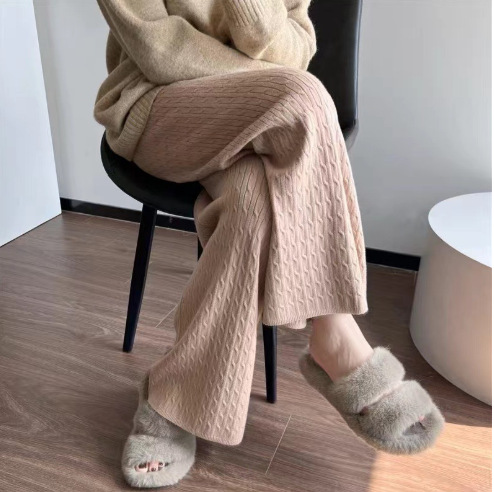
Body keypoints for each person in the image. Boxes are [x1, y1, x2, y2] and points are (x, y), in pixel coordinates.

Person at [94, 0, 445, 488]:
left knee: (253, 203)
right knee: (302, 97)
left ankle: (172, 402)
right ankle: (335, 333)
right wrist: (269, 85)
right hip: (156, 107)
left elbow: (297, 47)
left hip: (256, 112)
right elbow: (160, 50)